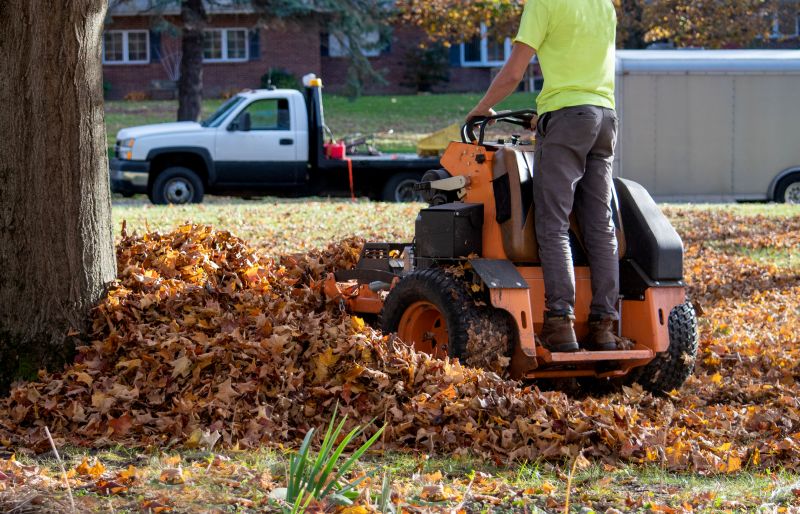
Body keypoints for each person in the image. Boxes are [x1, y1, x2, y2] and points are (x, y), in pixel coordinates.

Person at [466, 0, 620, 352]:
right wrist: (546, 118)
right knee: (600, 224)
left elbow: (512, 73)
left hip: (568, 117)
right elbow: (583, 73)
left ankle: (559, 322)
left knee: (553, 222)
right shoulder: (604, 7)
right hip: (604, 118)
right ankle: (604, 326)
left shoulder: (544, 3)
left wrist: (480, 108)